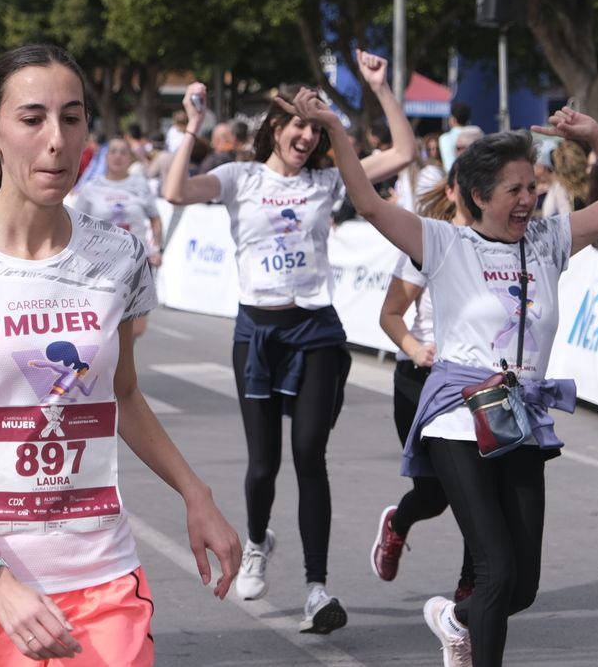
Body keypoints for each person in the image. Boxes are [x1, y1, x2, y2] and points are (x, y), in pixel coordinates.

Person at [0, 45, 239, 666]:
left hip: (100, 577)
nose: (56, 140)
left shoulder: (119, 256)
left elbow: (123, 395)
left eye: (71, 118)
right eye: (32, 119)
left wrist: (196, 493)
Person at [332, 101, 598, 666]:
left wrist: (597, 134)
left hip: (518, 416)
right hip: (458, 414)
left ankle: (453, 617)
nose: (527, 198)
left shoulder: (549, 240)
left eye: (531, 186)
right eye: (512, 190)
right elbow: (367, 202)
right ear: (478, 196)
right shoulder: (442, 243)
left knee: (519, 587)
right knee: (494, 569)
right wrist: (335, 129)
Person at [162, 50, 415, 633]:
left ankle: (317, 589)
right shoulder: (237, 177)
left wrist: (377, 88)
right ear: (274, 128)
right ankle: (256, 542)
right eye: (296, 124)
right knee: (262, 467)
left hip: (316, 331)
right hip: (257, 332)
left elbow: (401, 154)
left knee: (309, 456)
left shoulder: (328, 181)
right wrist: (193, 127)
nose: (305, 134)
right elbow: (176, 191)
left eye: (313, 126)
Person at [374, 165, 475, 603]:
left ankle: (472, 590)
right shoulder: (427, 244)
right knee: (434, 496)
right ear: (453, 192)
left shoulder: (509, 245)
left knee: (480, 489)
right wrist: (417, 348)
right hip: (422, 381)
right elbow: (390, 315)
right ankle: (397, 524)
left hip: (476, 383)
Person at [71, 137, 165, 338]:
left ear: (130, 158)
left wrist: (157, 248)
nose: (118, 156)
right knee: (105, 324)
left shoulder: (139, 184)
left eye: (123, 152)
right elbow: (78, 225)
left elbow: (155, 219)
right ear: (105, 157)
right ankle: (113, 365)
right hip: (102, 264)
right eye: (113, 151)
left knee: (136, 328)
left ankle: (121, 363)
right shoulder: (91, 188)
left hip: (136, 261)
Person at [439, 102, 474, 171]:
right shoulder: (478, 134)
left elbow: (448, 167)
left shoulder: (444, 138)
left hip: (453, 178)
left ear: (453, 119)